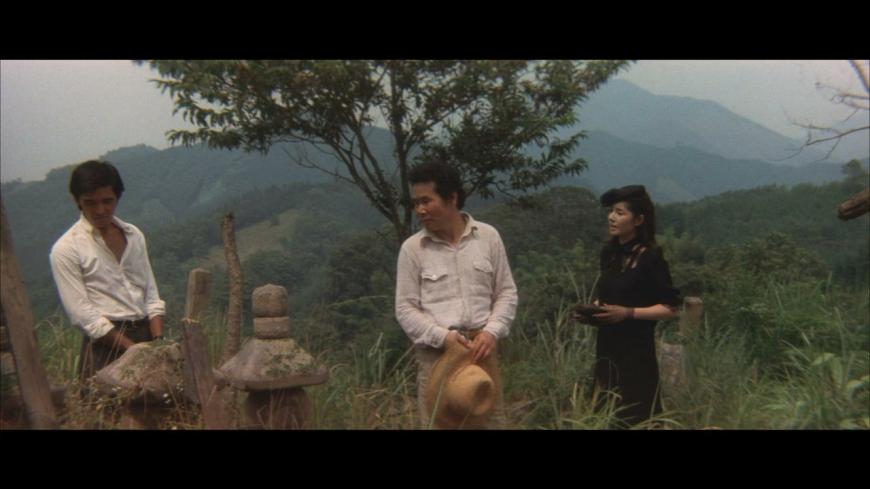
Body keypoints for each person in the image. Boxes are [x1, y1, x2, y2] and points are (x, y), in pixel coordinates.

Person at [395, 160, 518, 428]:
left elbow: (506, 292)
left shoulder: (488, 237)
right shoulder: (413, 249)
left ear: (452, 198)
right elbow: (405, 309)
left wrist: (492, 331)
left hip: (483, 354)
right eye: (416, 203)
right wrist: (444, 338)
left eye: (427, 201)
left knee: (490, 422)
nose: (420, 210)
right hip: (436, 359)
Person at [49, 160, 165, 383]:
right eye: (90, 203)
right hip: (105, 347)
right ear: (78, 201)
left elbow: (150, 292)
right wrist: (133, 350)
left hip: (146, 335)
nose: (100, 210)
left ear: (117, 198)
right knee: (108, 404)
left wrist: (158, 341)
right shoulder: (67, 249)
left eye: (107, 201)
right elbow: (82, 314)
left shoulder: (133, 235)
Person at [576, 184, 680, 428]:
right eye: (611, 211)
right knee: (605, 413)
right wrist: (593, 313)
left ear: (639, 220)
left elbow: (670, 308)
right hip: (607, 349)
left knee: (636, 414)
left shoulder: (650, 258)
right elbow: (609, 298)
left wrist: (629, 313)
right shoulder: (609, 254)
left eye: (620, 213)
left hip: (637, 353)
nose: (612, 217)